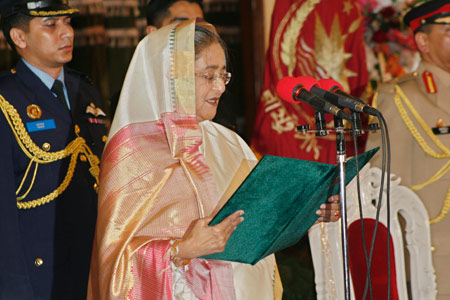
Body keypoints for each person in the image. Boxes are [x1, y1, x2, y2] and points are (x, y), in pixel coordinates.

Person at [88, 20, 340, 299]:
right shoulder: (132, 151)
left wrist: (308, 212)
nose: (220, 87)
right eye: (209, 76)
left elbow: (258, 218)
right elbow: (115, 264)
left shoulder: (229, 142)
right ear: (173, 77)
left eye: (223, 75)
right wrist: (181, 250)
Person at [0, 0, 107, 299]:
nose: (66, 33)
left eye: (68, 23)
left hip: (93, 270)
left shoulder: (85, 91)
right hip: (41, 279)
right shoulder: (6, 101)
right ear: (19, 38)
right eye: (51, 25)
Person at [365, 1, 450, 299]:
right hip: (435, 259)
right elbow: (382, 189)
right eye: (449, 30)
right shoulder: (400, 97)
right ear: (422, 41)